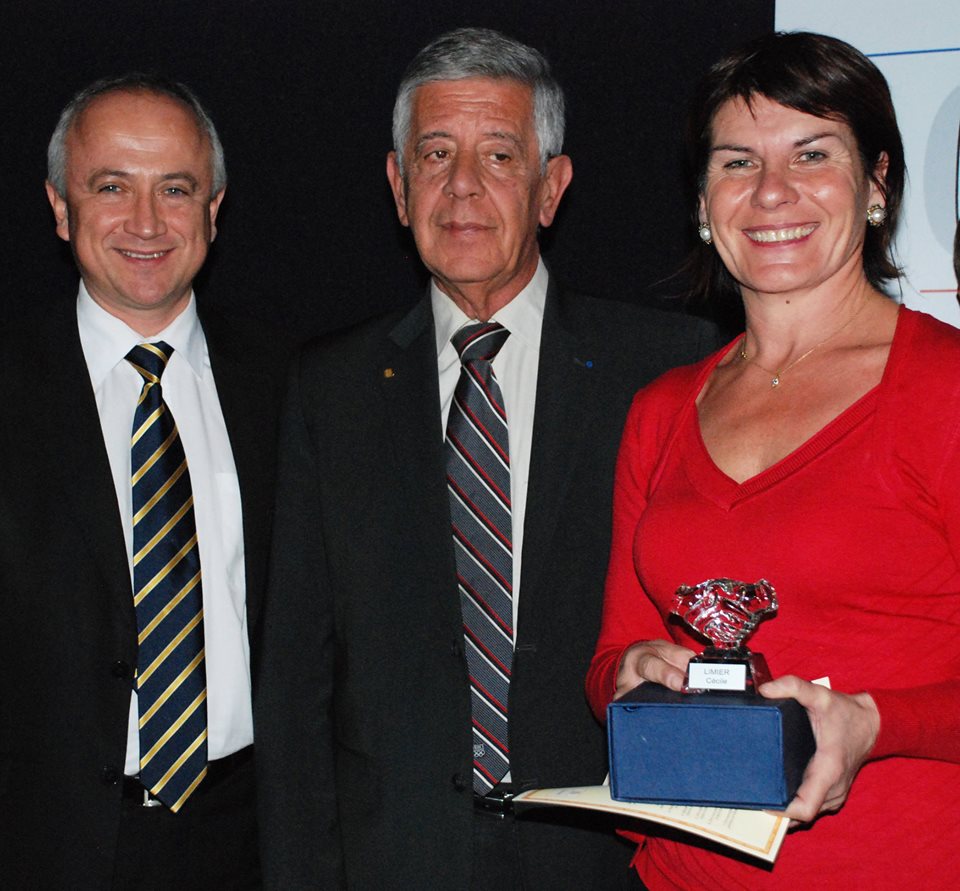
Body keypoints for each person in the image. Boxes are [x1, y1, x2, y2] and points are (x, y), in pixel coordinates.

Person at [255, 26, 719, 890]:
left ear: (552, 187)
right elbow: (295, 683)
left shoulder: (665, 369)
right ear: (398, 187)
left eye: (499, 155)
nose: (461, 184)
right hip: (394, 858)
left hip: (602, 856)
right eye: (435, 154)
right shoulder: (330, 387)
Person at [587, 31, 960, 889]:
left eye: (812, 153)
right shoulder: (659, 411)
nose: (771, 191)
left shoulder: (944, 389)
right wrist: (630, 675)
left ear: (877, 182)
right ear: (702, 200)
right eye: (737, 162)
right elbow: (608, 660)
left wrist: (877, 721)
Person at [0, 74, 290, 889]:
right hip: (45, 846)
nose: (146, 222)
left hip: (252, 842)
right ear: (60, 207)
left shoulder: (290, 385)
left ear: (214, 209)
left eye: (176, 188)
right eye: (111, 187)